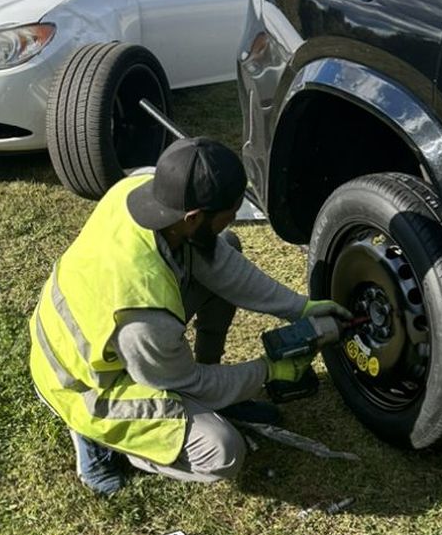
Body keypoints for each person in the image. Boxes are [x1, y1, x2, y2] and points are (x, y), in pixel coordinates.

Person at [29, 137, 349, 494]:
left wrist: (298, 308)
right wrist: (267, 371)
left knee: (225, 245)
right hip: (84, 384)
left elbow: (222, 263)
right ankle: (103, 441)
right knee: (222, 452)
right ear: (193, 217)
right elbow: (187, 382)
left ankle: (219, 399)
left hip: (105, 339)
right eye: (227, 215)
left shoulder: (142, 187)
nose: (233, 220)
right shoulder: (146, 319)